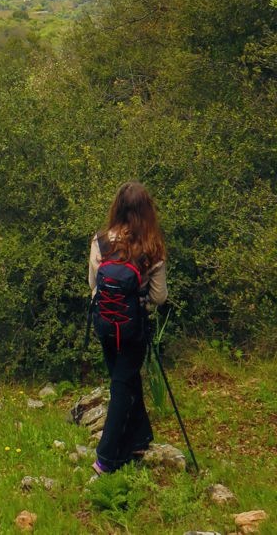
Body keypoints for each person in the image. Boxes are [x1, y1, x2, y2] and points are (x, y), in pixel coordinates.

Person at [88, 181, 167, 474]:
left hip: (105, 323)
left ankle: (136, 440)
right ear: (147, 210)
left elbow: (94, 286)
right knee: (124, 384)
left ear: (117, 206)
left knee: (124, 381)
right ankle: (107, 459)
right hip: (133, 328)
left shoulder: (101, 240)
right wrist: (139, 300)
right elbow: (159, 297)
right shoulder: (152, 247)